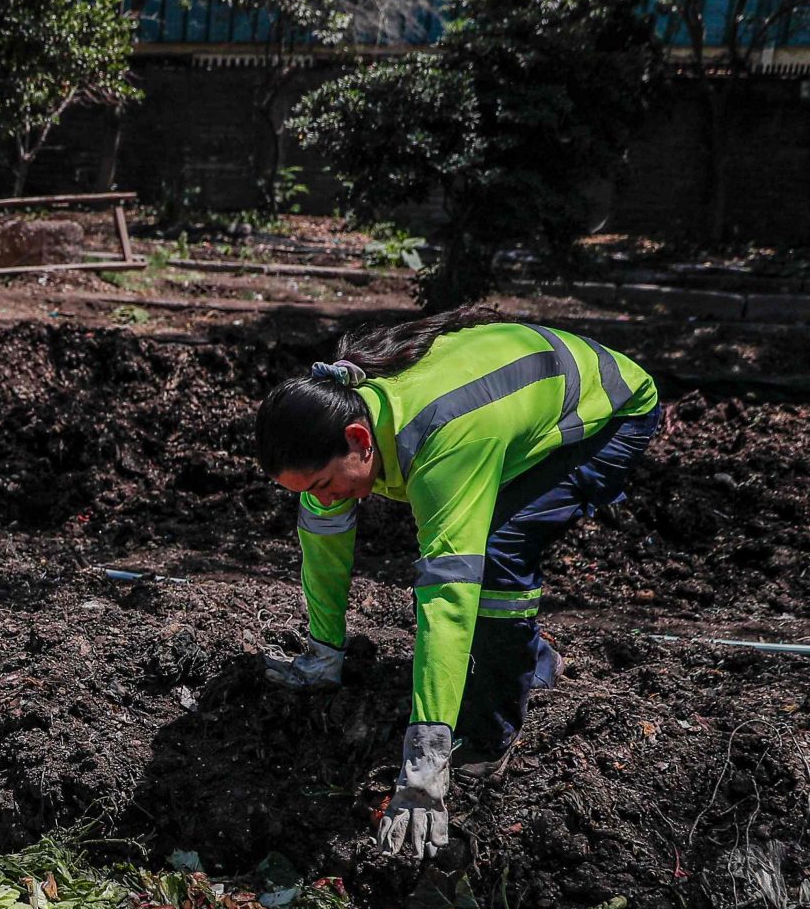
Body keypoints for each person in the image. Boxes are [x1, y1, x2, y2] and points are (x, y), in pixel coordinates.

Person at [254, 308, 663, 860]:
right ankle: (532, 656)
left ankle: (492, 729)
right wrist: (324, 651)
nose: (321, 497)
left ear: (359, 439)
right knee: (483, 549)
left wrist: (425, 765)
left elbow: (448, 594)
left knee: (495, 557)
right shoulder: (341, 424)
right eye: (307, 490)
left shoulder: (444, 442)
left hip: (605, 409)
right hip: (510, 401)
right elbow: (324, 546)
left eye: (325, 484)